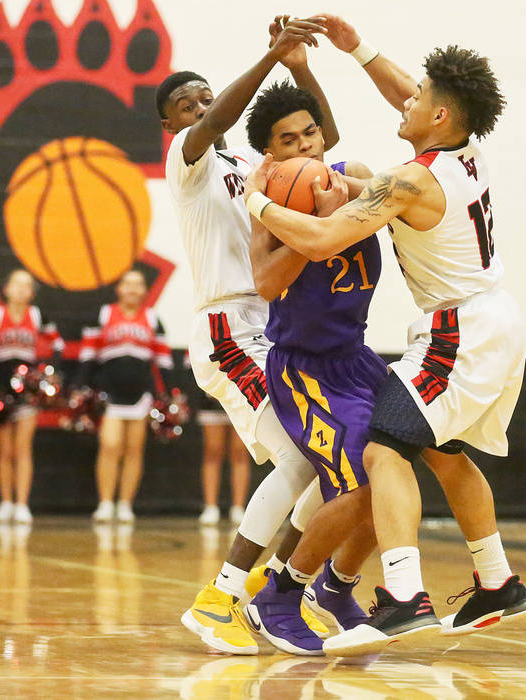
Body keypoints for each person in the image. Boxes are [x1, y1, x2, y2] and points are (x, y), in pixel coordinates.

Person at [243, 18, 526, 656]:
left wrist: (259, 202)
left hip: (458, 331)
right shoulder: (465, 149)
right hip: (496, 320)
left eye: (418, 97)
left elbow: (321, 240)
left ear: (438, 114)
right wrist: (356, 48)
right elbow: (414, 95)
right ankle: (497, 581)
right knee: (444, 453)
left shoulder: (409, 180)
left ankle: (401, 598)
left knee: (379, 452)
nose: (405, 99)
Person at [159, 15, 336, 654]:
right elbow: (210, 126)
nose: (204, 108)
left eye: (207, 96)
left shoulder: (251, 164)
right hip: (229, 329)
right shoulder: (188, 162)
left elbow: (323, 148)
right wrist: (268, 58)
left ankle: (272, 591)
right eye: (189, 103)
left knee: (330, 457)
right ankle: (221, 599)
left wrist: (300, 69)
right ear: (171, 123)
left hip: (277, 325)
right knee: (301, 456)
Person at [235, 80, 387, 655]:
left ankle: (336, 587)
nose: (305, 149)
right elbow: (269, 282)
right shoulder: (270, 210)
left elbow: (386, 200)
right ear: (271, 157)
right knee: (353, 481)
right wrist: (316, 232)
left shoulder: (356, 175)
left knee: (392, 476)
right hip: (305, 369)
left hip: (358, 356)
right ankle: (278, 596)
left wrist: (340, 204)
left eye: (310, 134)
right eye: (288, 142)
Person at [77, 269, 173, 523]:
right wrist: (81, 387)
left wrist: (167, 395)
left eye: (137, 284)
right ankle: (106, 503)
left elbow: (163, 362)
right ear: (118, 288)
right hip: (109, 391)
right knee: (110, 446)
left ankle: (125, 504)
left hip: (140, 393)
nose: (132, 289)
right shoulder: (104, 314)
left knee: (133, 450)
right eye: (127, 284)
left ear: (144, 290)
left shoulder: (153, 319)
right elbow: (88, 356)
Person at [0, 269, 63, 525]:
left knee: (23, 449)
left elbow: (57, 345)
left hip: (27, 389)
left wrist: (47, 373)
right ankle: (5, 502)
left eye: (27, 286)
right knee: (4, 449)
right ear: (7, 289)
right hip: (1, 388)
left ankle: (22, 504)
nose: (21, 290)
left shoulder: (37, 316)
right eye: (17, 284)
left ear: (32, 293)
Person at [195, 391, 250, 526]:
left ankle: (238, 507)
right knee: (212, 451)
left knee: (240, 452)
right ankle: (210, 507)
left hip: (241, 397)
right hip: (212, 397)